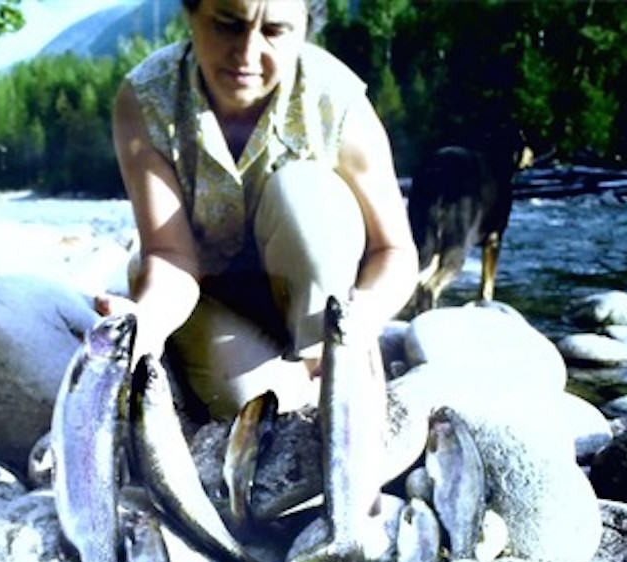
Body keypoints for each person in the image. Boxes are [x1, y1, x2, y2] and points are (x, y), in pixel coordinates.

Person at [98, 0, 417, 420]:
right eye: (228, 25)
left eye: (275, 31)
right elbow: (170, 257)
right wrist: (144, 326)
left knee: (303, 191)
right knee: (258, 409)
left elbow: (394, 252)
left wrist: (359, 322)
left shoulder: (337, 100)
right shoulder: (146, 100)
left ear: (305, 28)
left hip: (319, 314)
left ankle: (318, 363)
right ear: (191, 15)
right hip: (202, 303)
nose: (247, 53)